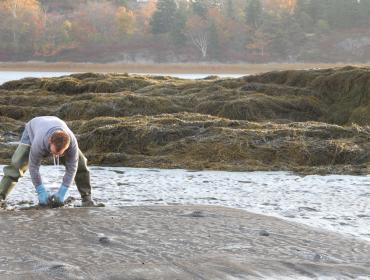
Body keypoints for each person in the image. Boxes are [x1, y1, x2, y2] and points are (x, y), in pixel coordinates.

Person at [0, 116, 94, 207]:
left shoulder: (72, 143)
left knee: (81, 164)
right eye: (54, 152)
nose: (56, 156)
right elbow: (34, 167)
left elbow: (72, 167)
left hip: (54, 123)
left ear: (67, 146)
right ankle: (0, 197)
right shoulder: (38, 142)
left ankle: (87, 199)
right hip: (33, 129)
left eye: (60, 154)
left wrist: (63, 190)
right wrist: (40, 190)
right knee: (17, 166)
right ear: (50, 140)